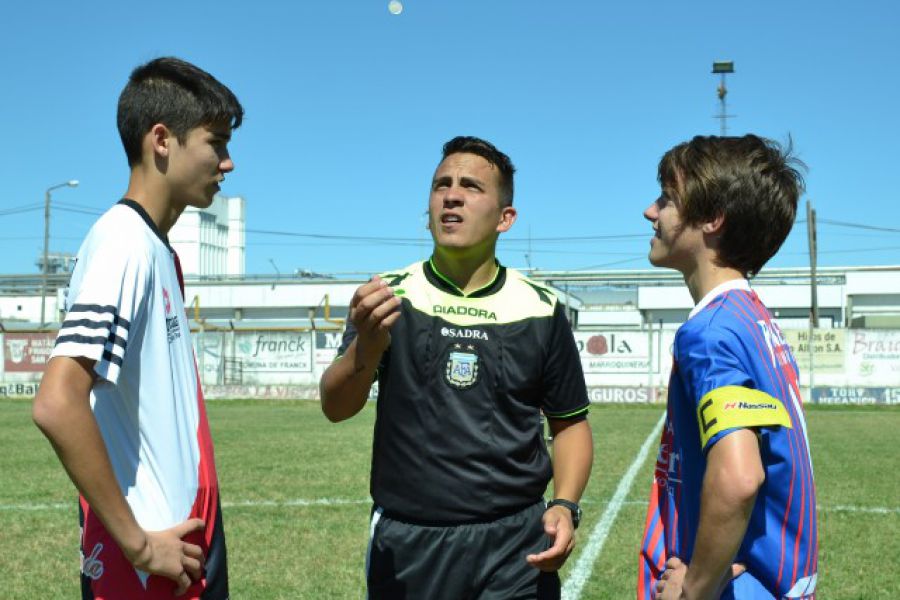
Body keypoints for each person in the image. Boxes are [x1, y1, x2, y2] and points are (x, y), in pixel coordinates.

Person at [320, 136, 594, 599]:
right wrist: (366, 347)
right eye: (441, 184)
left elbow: (569, 424)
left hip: (516, 544)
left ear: (506, 218)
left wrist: (565, 505)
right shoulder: (389, 295)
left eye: (471, 186)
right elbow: (335, 405)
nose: (451, 195)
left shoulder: (542, 308)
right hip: (411, 542)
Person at [32, 56, 242, 599]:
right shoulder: (122, 242)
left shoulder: (155, 249)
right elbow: (58, 402)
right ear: (162, 140)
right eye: (216, 143)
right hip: (149, 565)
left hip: (183, 549)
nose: (228, 163)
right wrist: (142, 547)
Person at [637, 135, 818, 599]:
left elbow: (739, 477)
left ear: (713, 219)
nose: (651, 212)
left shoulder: (712, 332)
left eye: (667, 198)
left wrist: (694, 587)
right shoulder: (754, 319)